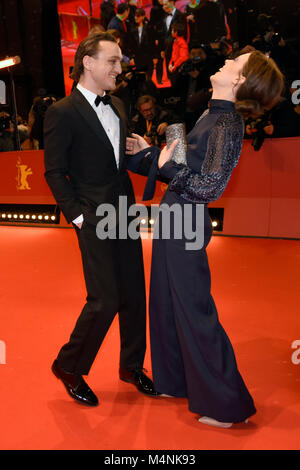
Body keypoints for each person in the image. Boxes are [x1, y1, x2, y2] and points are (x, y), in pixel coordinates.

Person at [126, 50, 284, 427]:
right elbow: (180, 163)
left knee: (193, 309)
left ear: (241, 82)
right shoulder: (210, 114)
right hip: (173, 217)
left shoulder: (228, 123)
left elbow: (209, 186)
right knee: (164, 302)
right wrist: (147, 152)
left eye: (234, 65)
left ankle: (225, 404)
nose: (224, 63)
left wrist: (164, 161)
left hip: (187, 222)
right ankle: (175, 380)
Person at [44, 32, 159, 407]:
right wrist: (77, 216)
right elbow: (55, 172)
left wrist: (145, 153)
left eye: (120, 60)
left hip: (124, 211)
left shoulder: (121, 106)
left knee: (132, 292)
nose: (119, 67)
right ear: (88, 63)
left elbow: (117, 162)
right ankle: (69, 365)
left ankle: (131, 365)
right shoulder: (61, 111)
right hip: (92, 216)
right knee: (104, 298)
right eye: (112, 60)